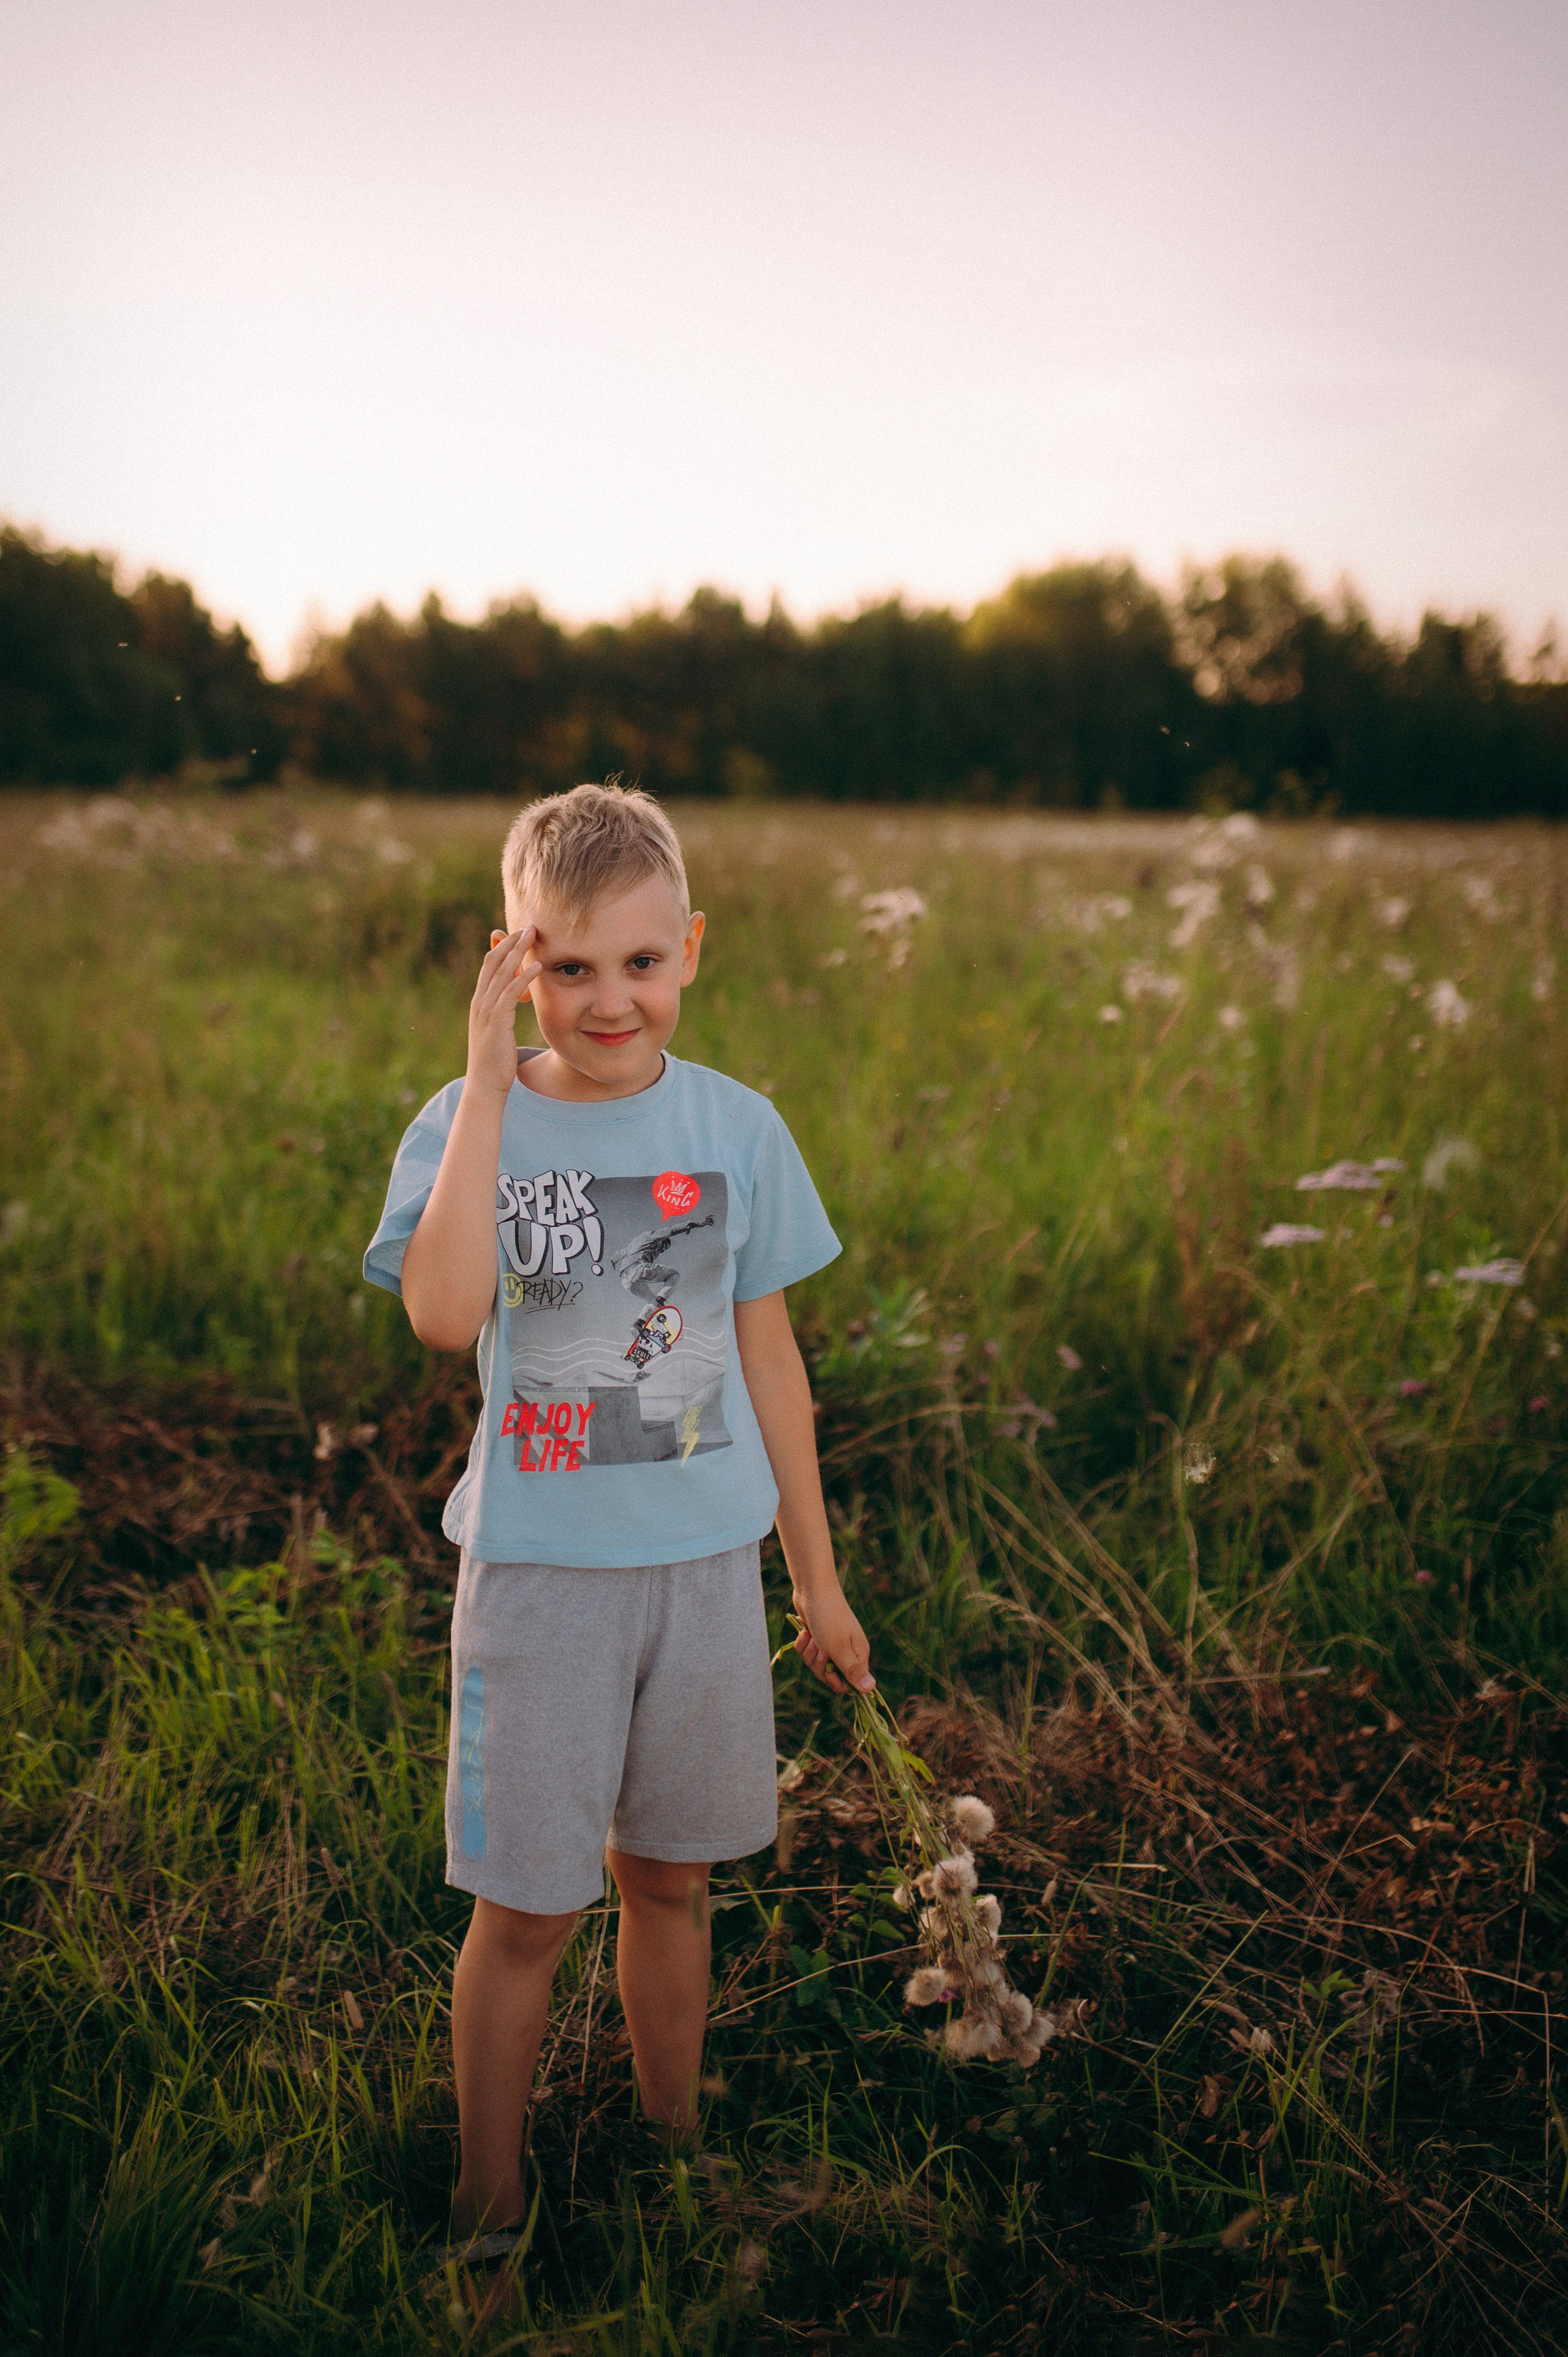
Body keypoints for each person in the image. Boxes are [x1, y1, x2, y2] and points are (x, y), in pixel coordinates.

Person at [363, 780, 874, 2253]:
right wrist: (479, 1074)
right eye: (567, 967)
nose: (607, 1000)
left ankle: (670, 2147)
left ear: (690, 952)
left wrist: (814, 1584)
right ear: (514, 960)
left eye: (638, 964)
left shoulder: (737, 1126)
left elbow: (770, 1364)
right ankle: (486, 2207)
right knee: (525, 1910)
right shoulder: (472, 1121)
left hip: (706, 1571)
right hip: (542, 1579)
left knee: (672, 1881)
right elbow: (444, 1312)